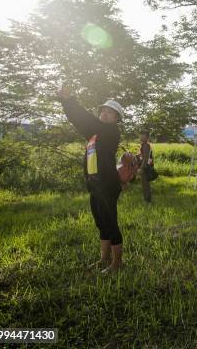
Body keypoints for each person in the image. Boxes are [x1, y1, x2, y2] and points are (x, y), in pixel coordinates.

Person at [56, 85, 125, 273]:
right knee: (101, 222)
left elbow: (87, 119)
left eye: (110, 112)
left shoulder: (112, 132)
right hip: (95, 184)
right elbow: (78, 120)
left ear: (117, 118)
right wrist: (65, 103)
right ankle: (104, 259)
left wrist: (71, 100)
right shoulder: (95, 134)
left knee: (110, 222)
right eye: (103, 110)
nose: (104, 113)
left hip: (107, 185)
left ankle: (117, 263)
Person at [139, 130, 154, 203]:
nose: (141, 137)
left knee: (145, 184)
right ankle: (147, 199)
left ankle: (147, 200)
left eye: (143, 136)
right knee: (145, 183)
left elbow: (146, 158)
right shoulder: (144, 144)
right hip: (145, 166)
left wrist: (141, 168)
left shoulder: (145, 145)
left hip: (145, 167)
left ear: (147, 137)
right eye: (141, 135)